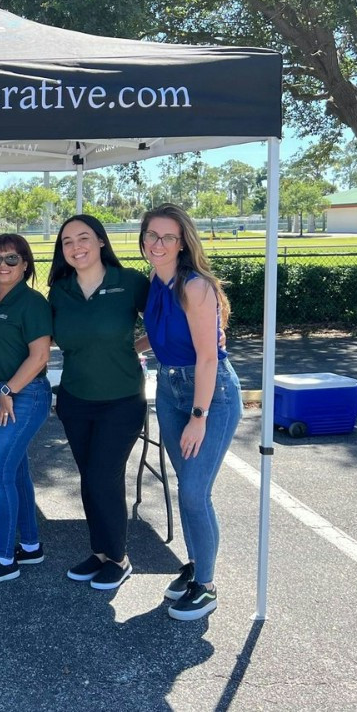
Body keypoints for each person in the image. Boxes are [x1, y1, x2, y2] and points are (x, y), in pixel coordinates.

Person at [140, 202, 242, 621]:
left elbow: (207, 358)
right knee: (188, 488)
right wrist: (138, 348)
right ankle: (198, 563)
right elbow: (165, 332)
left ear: (183, 243)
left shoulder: (195, 286)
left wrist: (199, 416)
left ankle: (207, 585)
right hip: (169, 388)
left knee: (195, 493)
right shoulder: (156, 280)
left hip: (208, 394)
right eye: (151, 236)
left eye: (167, 237)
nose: (158, 244)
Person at [48, 215, 150, 591]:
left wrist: (131, 347)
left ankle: (119, 558)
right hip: (75, 400)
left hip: (122, 400)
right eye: (67, 242)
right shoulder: (60, 290)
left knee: (104, 476)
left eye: (84, 238)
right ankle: (100, 553)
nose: (76, 247)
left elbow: (164, 322)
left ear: (101, 241)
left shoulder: (131, 284)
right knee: (89, 480)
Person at [0, 234, 52, 585]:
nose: (3, 265)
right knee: (15, 472)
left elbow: (40, 355)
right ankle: (29, 546)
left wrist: (6, 389)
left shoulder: (31, 303)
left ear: (26, 264)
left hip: (23, 396)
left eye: (12, 259)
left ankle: (5, 559)